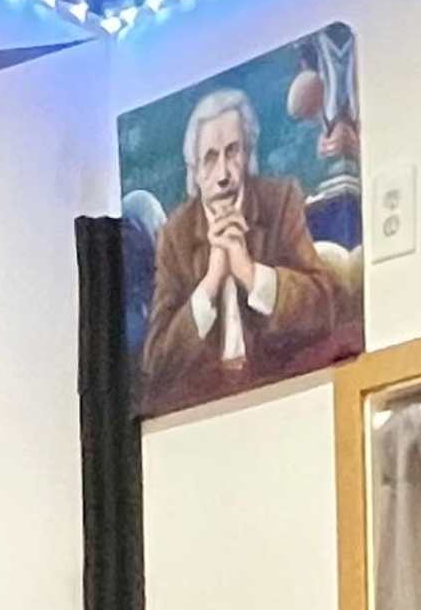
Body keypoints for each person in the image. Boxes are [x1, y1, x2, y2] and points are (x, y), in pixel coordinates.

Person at [137, 84, 354, 412]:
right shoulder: (175, 235)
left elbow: (325, 307)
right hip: (206, 406)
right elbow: (158, 360)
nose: (223, 174)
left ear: (249, 155)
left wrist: (250, 273)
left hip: (284, 390)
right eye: (210, 158)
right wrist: (210, 282)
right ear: (194, 172)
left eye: (232, 152)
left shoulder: (279, 201)